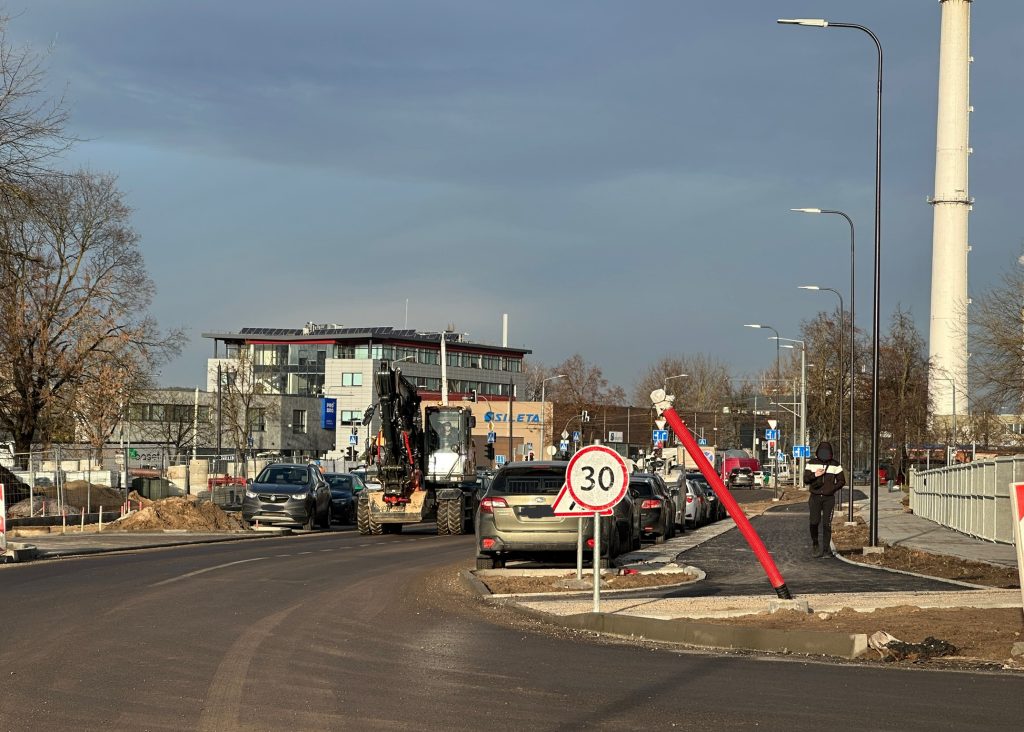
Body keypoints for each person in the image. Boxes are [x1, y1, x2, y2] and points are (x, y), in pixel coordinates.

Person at [803, 441, 846, 558]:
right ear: (818, 452)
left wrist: (832, 488)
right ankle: (815, 544)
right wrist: (815, 475)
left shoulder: (835, 465)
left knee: (827, 524)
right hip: (815, 497)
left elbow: (842, 481)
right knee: (814, 522)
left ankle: (827, 550)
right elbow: (806, 480)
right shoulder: (811, 463)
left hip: (829, 499)